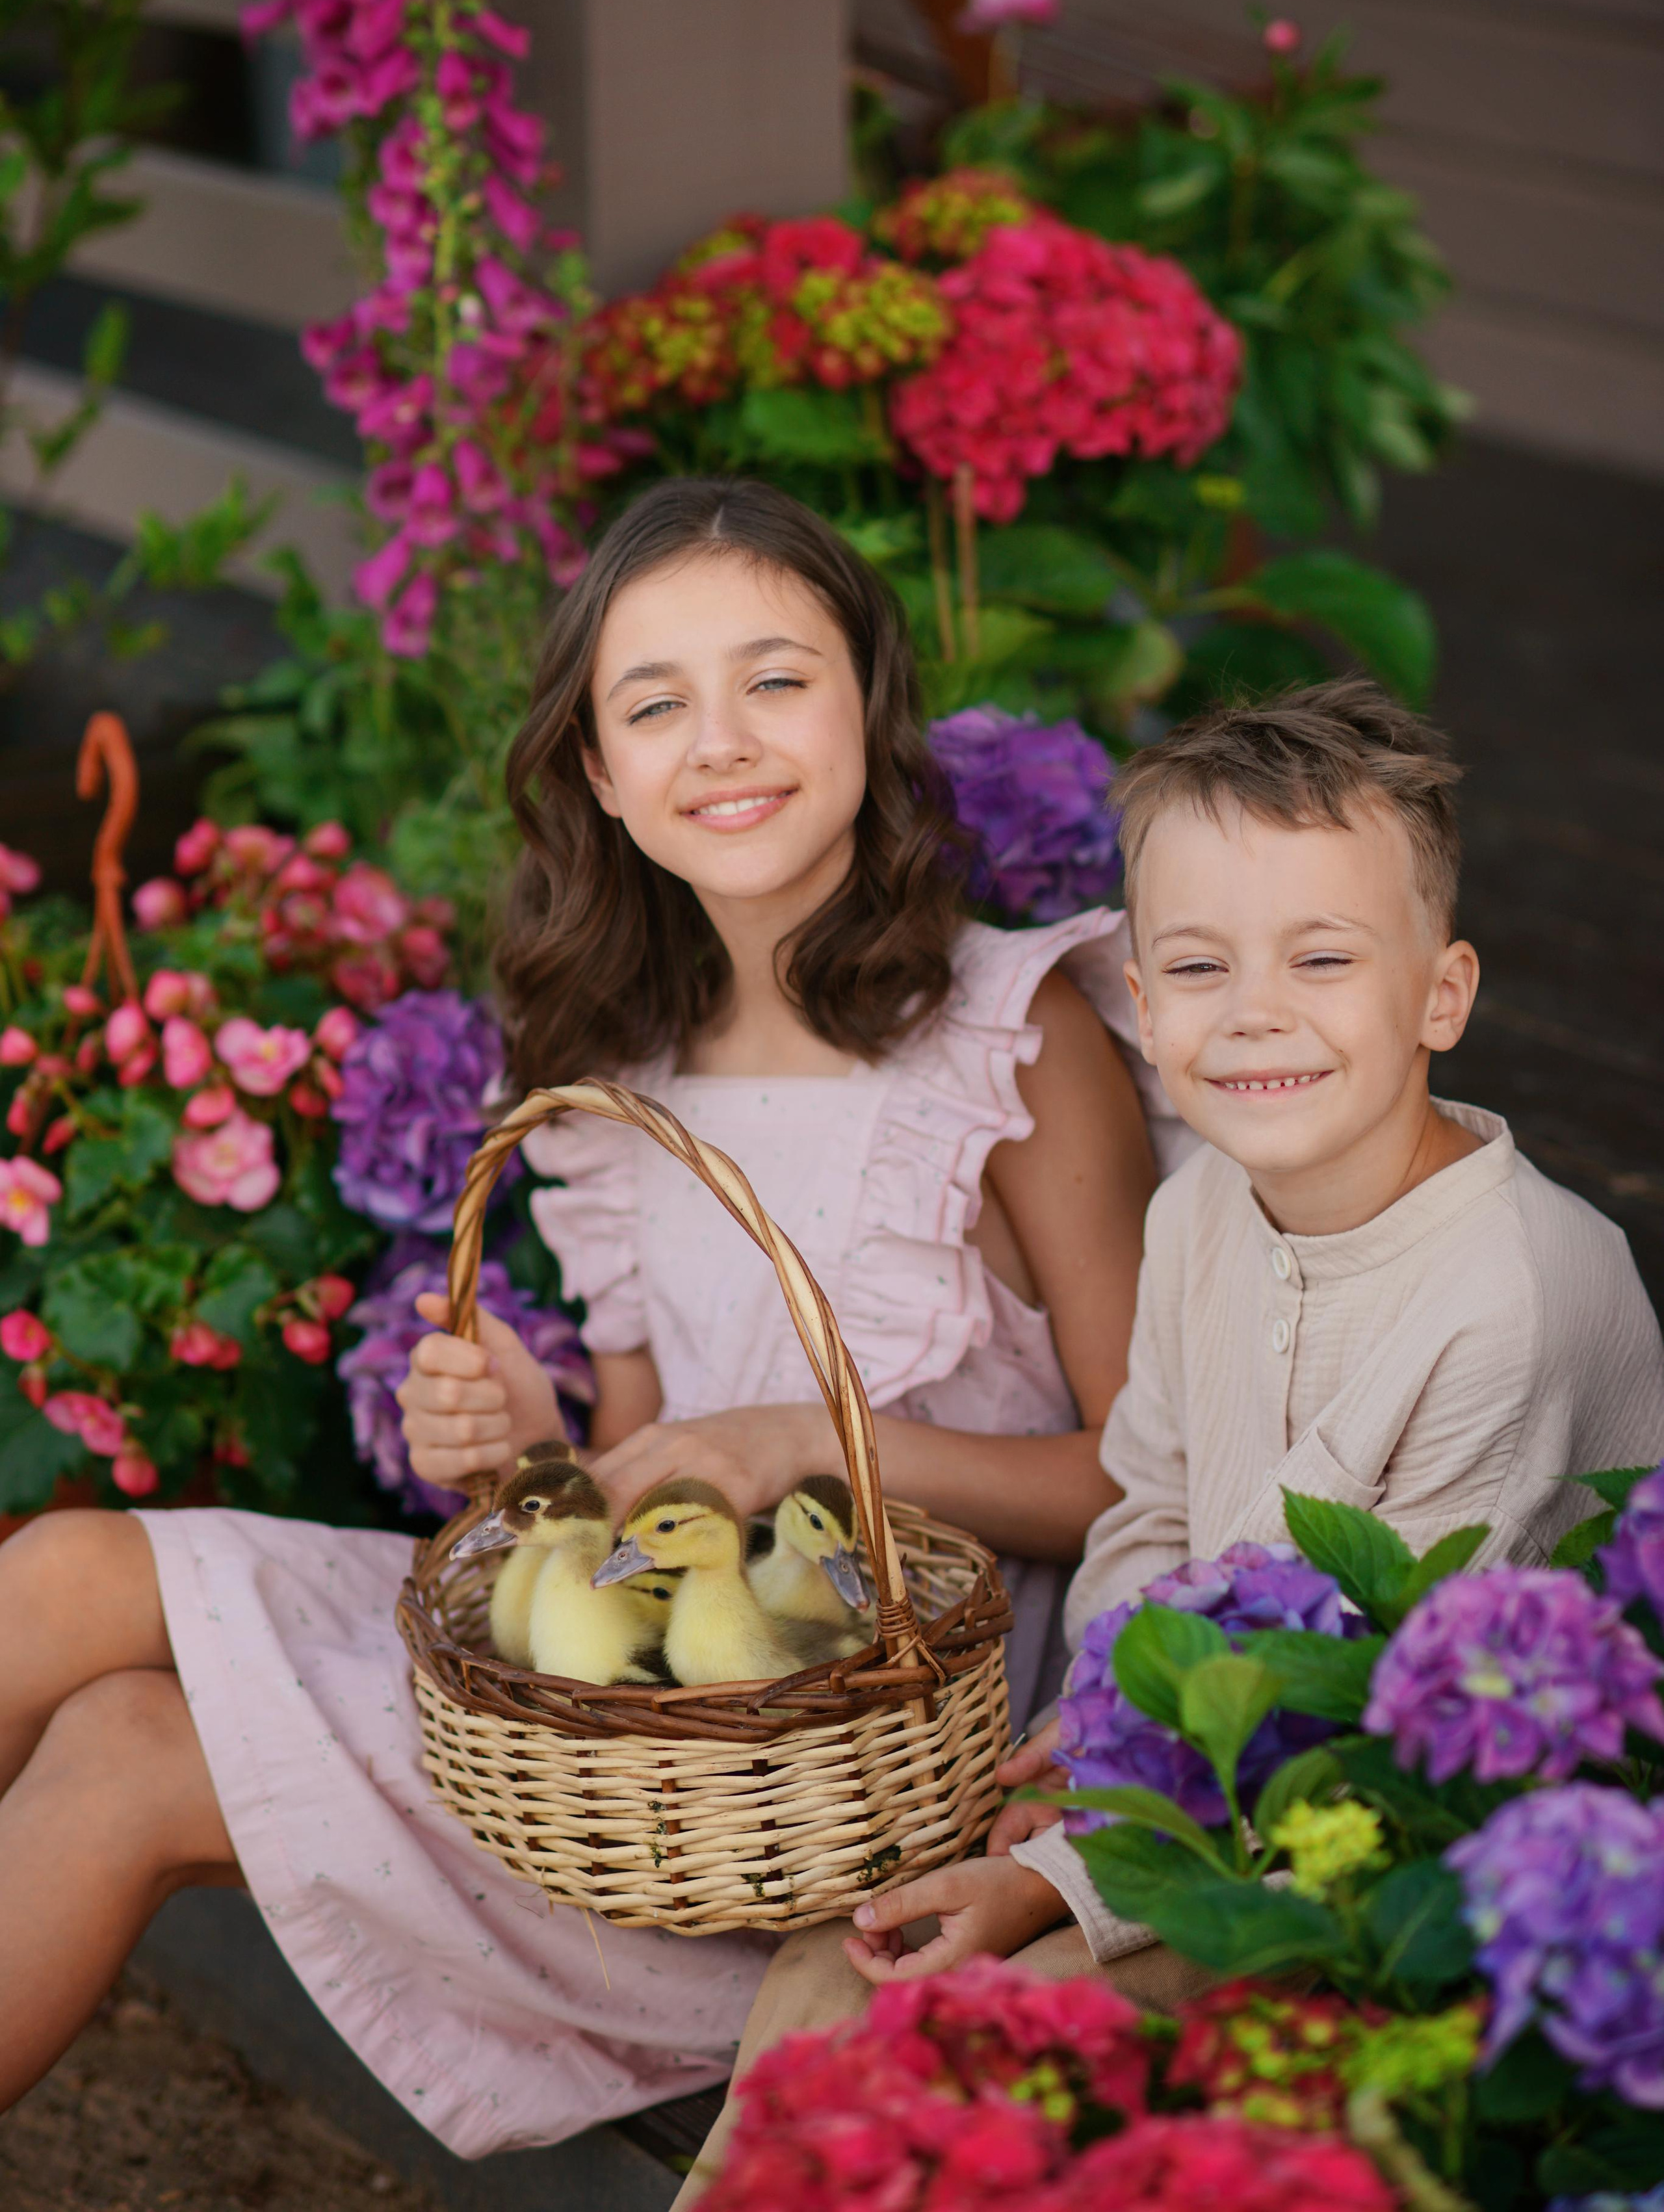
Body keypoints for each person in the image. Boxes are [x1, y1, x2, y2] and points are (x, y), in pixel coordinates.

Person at [0, 477, 1182, 2153]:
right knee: (60, 1571)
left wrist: (795, 1445)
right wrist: (538, 1445)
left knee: (128, 1751)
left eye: (777, 676)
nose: (724, 738)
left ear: (867, 701)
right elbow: (644, 1485)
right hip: (627, 1715)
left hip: (818, 1788)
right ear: (600, 782)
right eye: (655, 703)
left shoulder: (1007, 1045)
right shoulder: (617, 1081)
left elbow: (1147, 1474)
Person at [673, 678, 1664, 2205]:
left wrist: (1052, 1878)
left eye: (1322, 959)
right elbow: (1149, 1498)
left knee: (982, 2031)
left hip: (1393, 1863)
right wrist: (1089, 1738)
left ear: (1440, 992)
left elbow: (1373, 1717)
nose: (1253, 1012)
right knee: (831, 1967)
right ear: (1139, 990)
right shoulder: (1200, 1201)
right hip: (1200, 1783)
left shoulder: (1509, 1299)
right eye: (1197, 964)